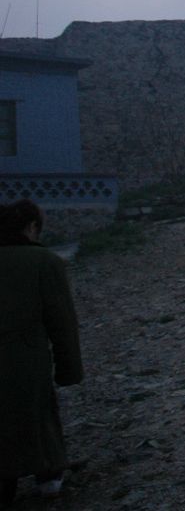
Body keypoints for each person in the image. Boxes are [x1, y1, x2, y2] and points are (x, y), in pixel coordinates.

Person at [0, 201, 83, 505]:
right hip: (25, 358)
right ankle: (48, 478)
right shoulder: (43, 261)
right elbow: (61, 322)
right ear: (32, 227)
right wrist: (69, 370)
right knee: (38, 417)